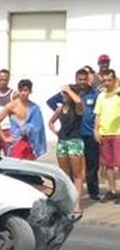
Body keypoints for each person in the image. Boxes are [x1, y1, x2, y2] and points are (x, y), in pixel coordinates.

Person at [47, 67, 100, 200]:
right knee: (72, 168)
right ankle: (72, 193)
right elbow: (51, 101)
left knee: (92, 163)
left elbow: (100, 110)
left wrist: (97, 129)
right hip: (73, 134)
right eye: (79, 79)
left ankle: (93, 192)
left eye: (84, 79)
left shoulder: (94, 93)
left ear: (88, 79)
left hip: (89, 132)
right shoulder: (70, 91)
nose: (82, 81)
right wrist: (62, 113)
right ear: (76, 79)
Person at [48, 83, 87, 214]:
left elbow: (78, 101)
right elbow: (51, 122)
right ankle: (67, 201)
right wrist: (56, 132)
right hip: (62, 142)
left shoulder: (78, 108)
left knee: (77, 175)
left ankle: (76, 204)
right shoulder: (60, 109)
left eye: (65, 94)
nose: (63, 96)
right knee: (65, 174)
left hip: (75, 142)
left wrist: (69, 90)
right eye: (63, 94)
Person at [0, 79, 46, 161]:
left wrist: (29, 128)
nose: (23, 93)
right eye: (21, 90)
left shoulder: (34, 107)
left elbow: (39, 127)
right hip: (17, 142)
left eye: (25, 90)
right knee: (17, 168)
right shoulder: (12, 105)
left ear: (30, 91)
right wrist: (5, 138)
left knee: (30, 168)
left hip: (31, 143)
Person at [95, 68, 120, 201]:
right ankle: (112, 190)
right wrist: (96, 130)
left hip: (117, 134)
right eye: (104, 80)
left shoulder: (118, 95)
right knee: (108, 164)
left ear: (114, 80)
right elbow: (97, 115)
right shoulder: (101, 96)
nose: (107, 82)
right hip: (104, 134)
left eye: (109, 80)